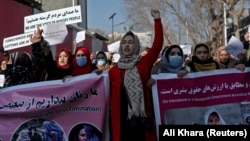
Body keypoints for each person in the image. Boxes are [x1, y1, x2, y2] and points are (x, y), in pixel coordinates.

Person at [108, 9, 163, 141]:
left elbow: (157, 44)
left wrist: (157, 20)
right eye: (124, 42)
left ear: (137, 45)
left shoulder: (143, 64)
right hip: (122, 124)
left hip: (141, 123)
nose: (127, 45)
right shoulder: (113, 71)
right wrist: (96, 74)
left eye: (130, 42)